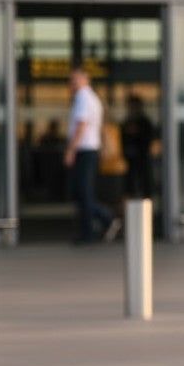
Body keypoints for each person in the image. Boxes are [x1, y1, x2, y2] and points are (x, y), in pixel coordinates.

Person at [65, 67, 121, 244]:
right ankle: (96, 225)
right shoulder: (91, 98)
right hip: (88, 150)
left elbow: (81, 125)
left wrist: (71, 150)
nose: (71, 84)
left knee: (83, 192)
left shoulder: (83, 98)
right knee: (82, 192)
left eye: (74, 80)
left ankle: (100, 224)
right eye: (70, 81)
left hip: (85, 150)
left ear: (84, 80)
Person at [120, 94, 156, 199]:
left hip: (143, 157)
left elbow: (148, 139)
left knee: (144, 183)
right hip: (130, 159)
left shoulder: (145, 122)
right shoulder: (127, 121)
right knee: (130, 184)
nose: (131, 109)